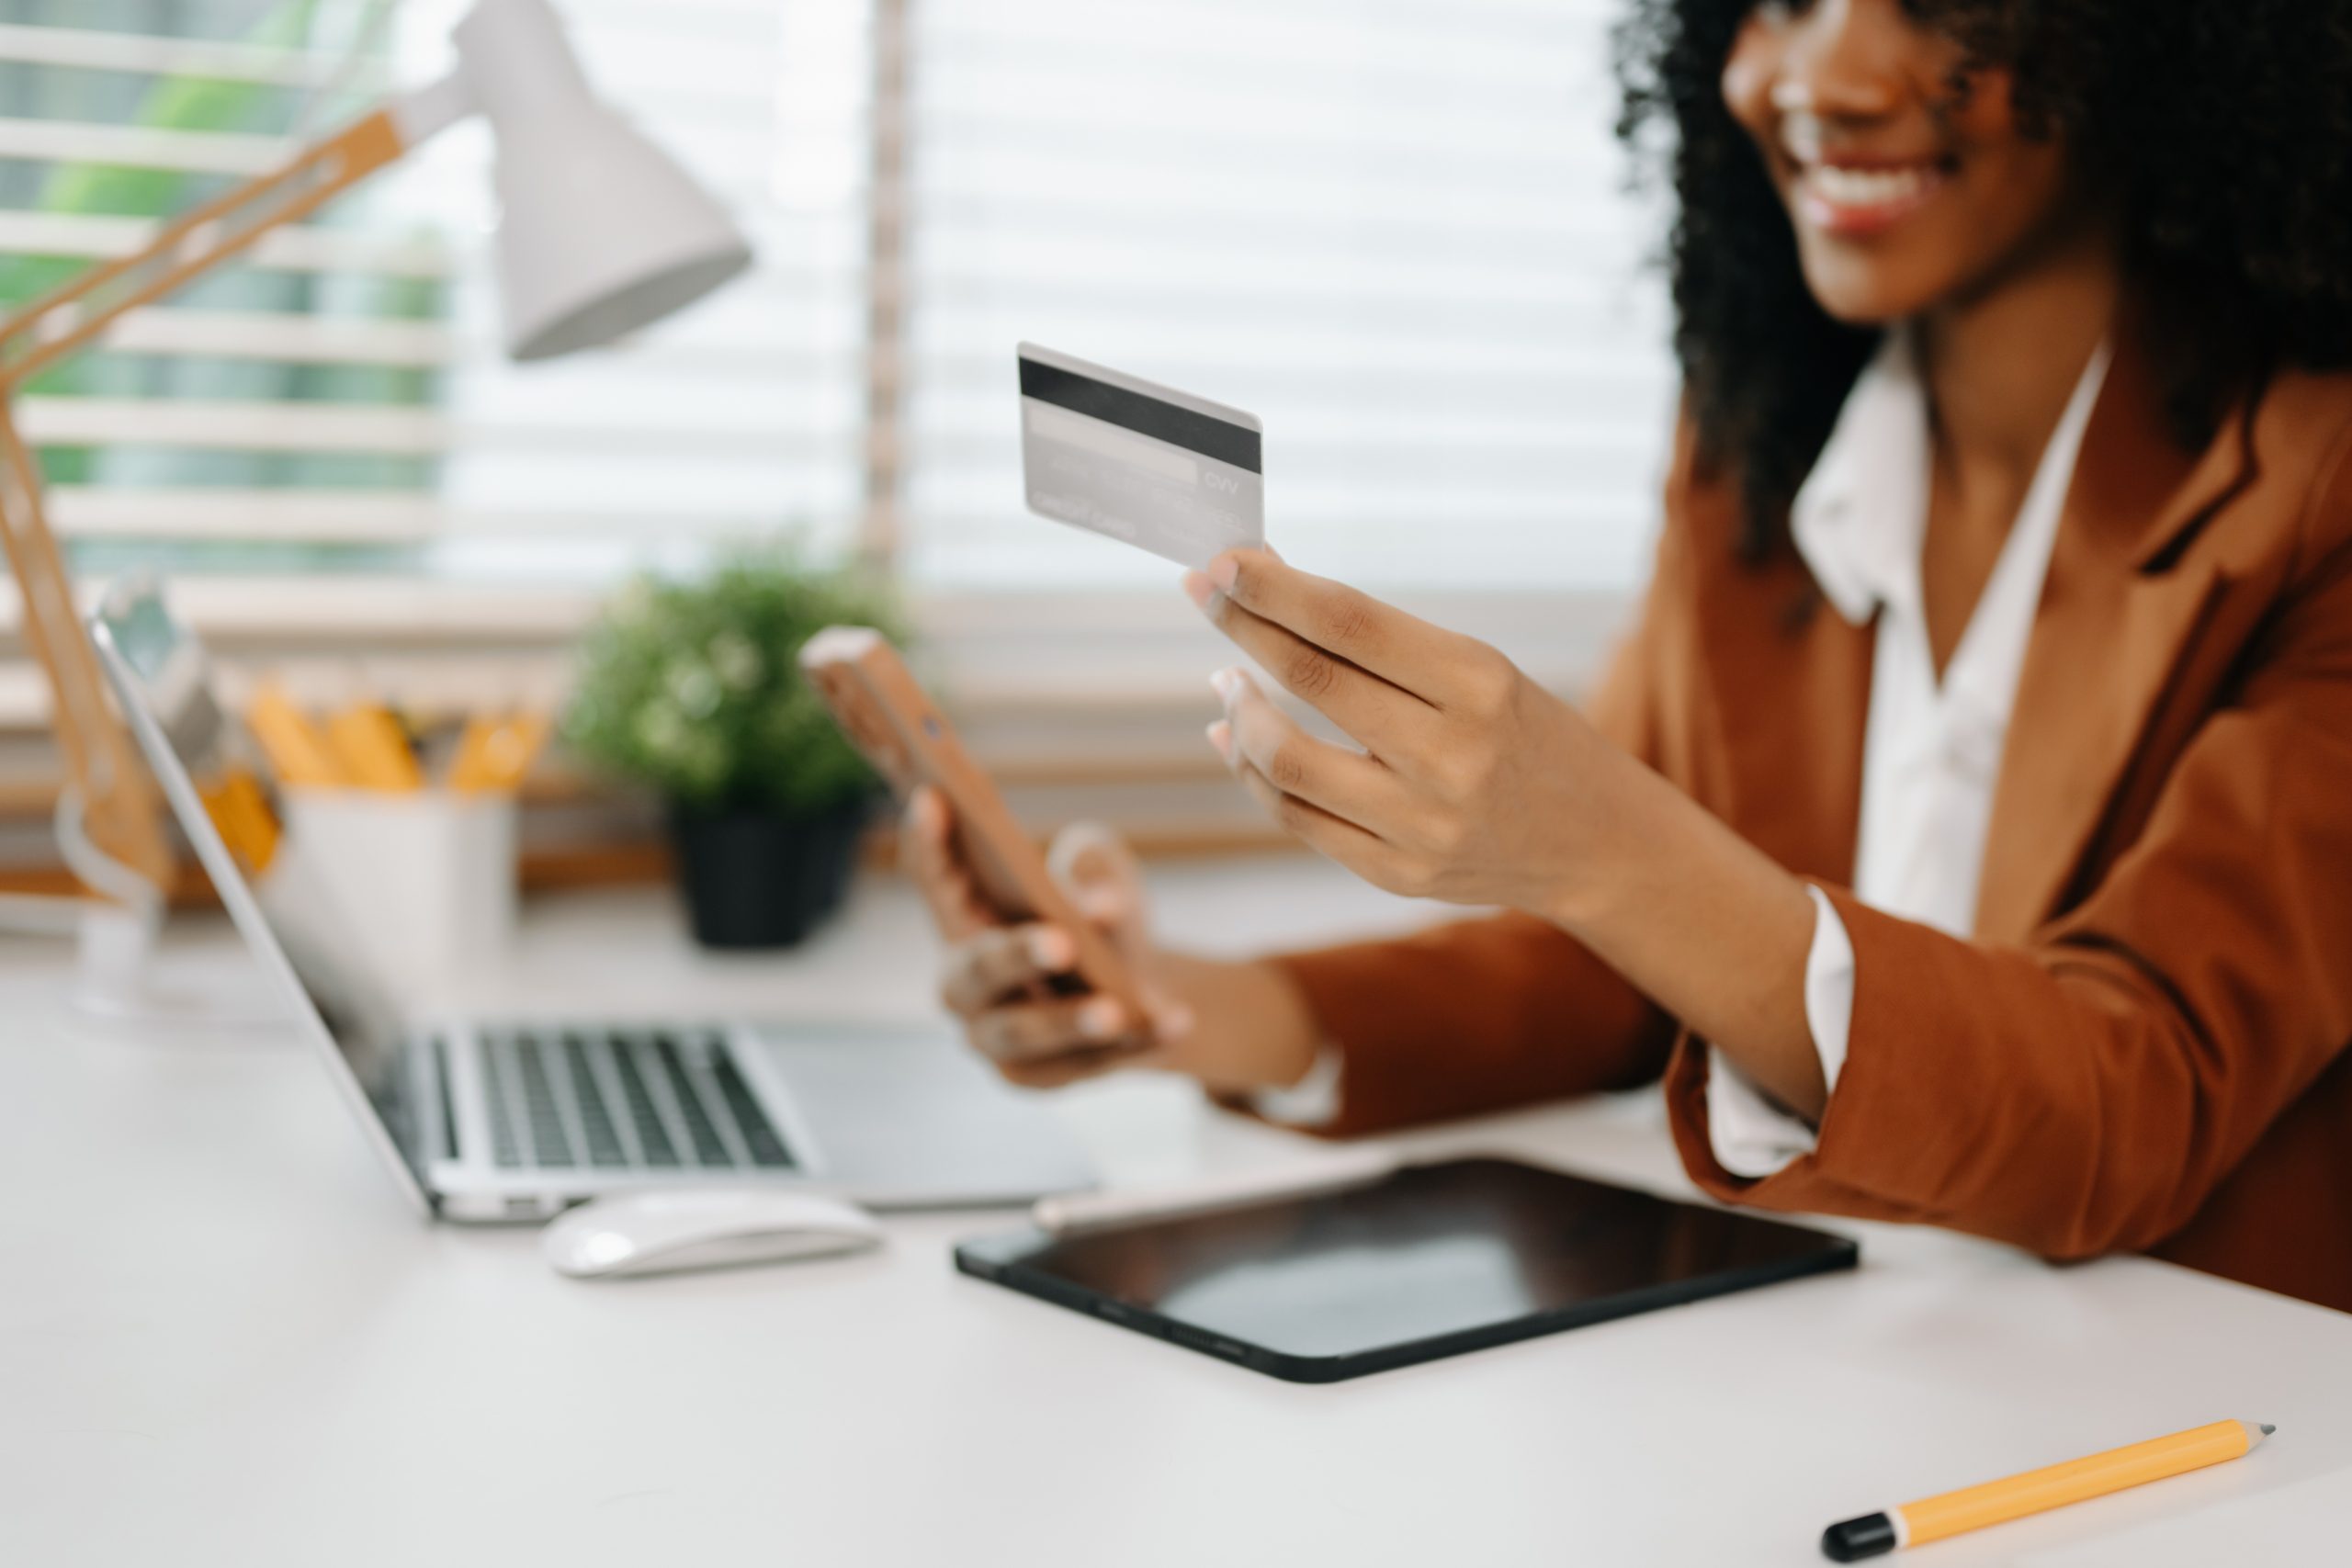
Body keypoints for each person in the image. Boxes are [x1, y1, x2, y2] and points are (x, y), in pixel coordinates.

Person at [905, 0, 2352, 1313]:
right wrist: (1178, 1009)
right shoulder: (1754, 452)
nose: (1826, 74)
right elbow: (1622, 971)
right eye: (1779, 1)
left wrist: (1607, 845)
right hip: (1831, 1359)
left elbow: (2131, 1097)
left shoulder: (2320, 487)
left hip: (2198, 1420)